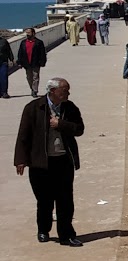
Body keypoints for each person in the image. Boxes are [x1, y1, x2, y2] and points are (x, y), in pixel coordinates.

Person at [15, 76, 84, 246]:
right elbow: (23, 135)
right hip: (41, 164)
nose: (68, 93)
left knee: (65, 200)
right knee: (44, 200)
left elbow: (79, 129)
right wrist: (20, 160)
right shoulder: (34, 108)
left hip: (63, 161)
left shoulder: (70, 108)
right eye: (64, 90)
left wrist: (61, 124)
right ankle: (43, 230)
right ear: (53, 91)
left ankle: (66, 234)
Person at [17, 27, 48, 96]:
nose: (27, 34)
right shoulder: (23, 43)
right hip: (26, 63)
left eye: (29, 33)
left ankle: (35, 90)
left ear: (33, 33)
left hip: (36, 62)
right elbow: (20, 53)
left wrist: (43, 62)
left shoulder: (39, 42)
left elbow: (42, 53)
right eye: (26, 33)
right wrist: (19, 62)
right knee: (29, 77)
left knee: (35, 77)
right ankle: (32, 88)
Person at [0, 31, 11, 98]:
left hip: (3, 62)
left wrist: (11, 59)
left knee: (3, 77)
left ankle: (4, 92)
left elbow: (9, 50)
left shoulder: (4, 41)